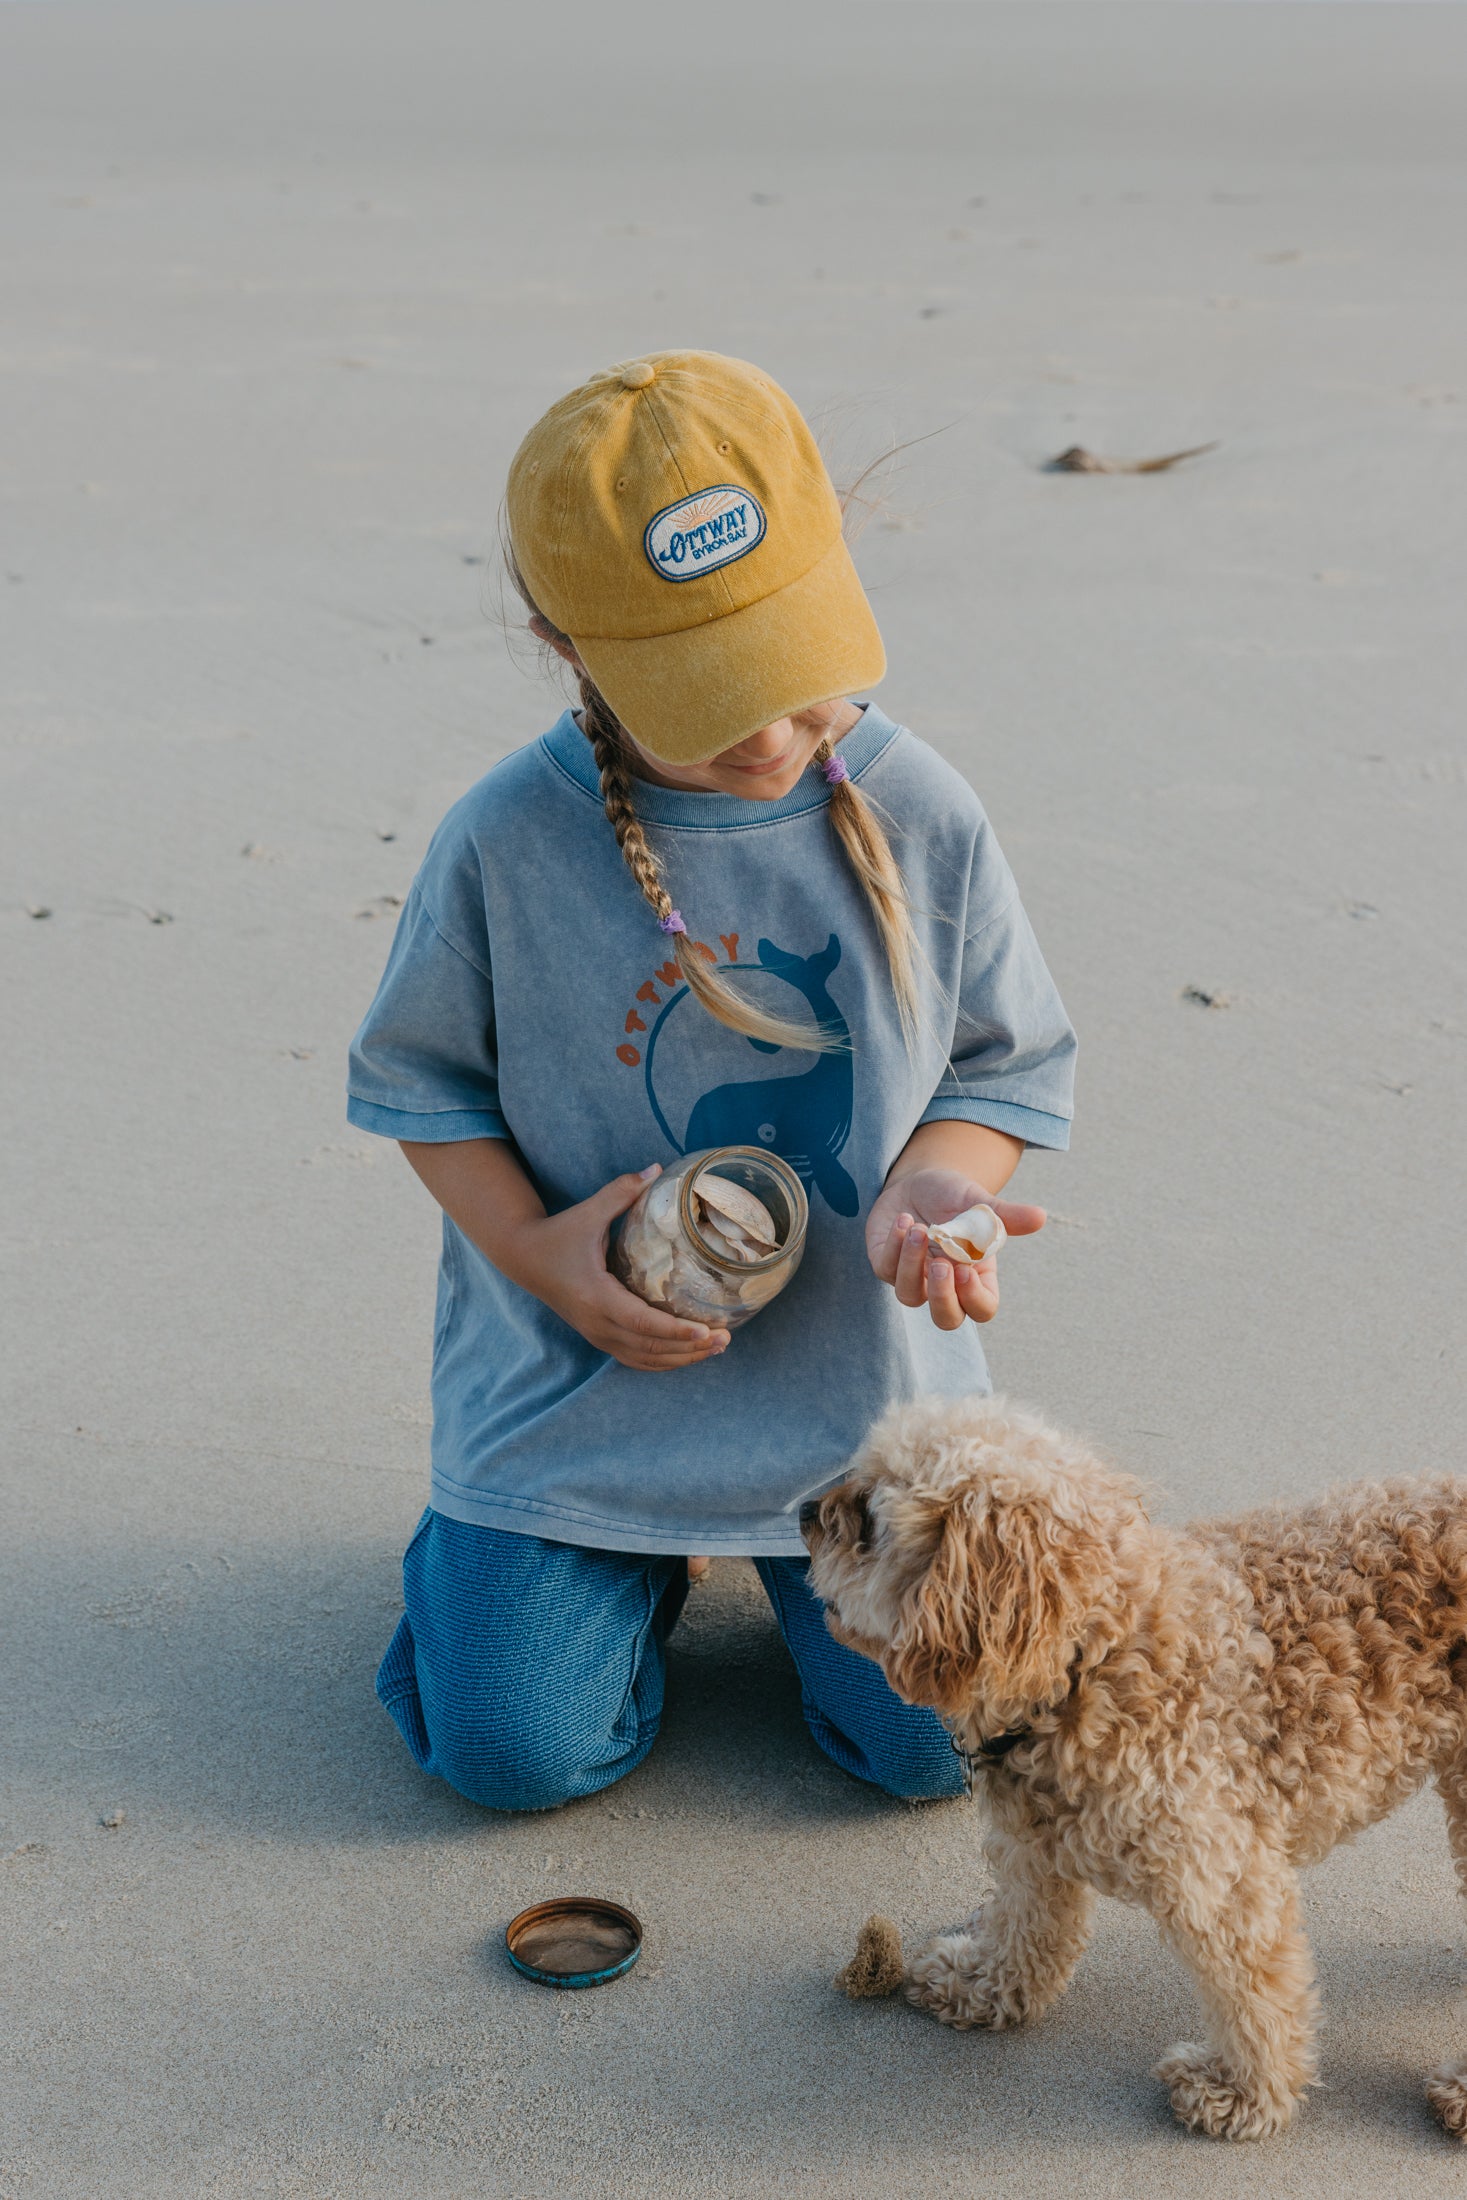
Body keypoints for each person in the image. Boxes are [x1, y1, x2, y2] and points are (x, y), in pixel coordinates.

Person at [347, 350, 1076, 1811]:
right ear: (568, 645)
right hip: (579, 1392)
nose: (769, 732)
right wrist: (539, 1256)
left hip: (846, 1404)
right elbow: (426, 1089)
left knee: (938, 1752)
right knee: (510, 1756)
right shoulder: (503, 840)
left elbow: (1003, 1068)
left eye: (791, 669)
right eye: (709, 692)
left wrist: (940, 1192)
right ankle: (540, 1556)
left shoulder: (920, 810)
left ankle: (731, 1563)